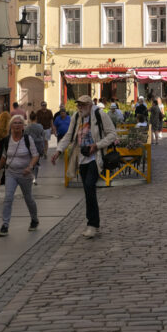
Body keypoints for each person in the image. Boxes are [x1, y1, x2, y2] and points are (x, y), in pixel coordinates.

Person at [51, 94, 117, 238]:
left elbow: (112, 134)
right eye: (78, 105)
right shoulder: (76, 117)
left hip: (95, 157)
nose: (80, 108)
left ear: (89, 105)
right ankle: (94, 223)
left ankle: (92, 224)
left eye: (82, 105)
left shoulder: (100, 115)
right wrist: (58, 150)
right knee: (88, 191)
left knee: (89, 187)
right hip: (81, 158)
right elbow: (69, 135)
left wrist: (97, 145)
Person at [0, 115, 40, 237]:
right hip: (11, 173)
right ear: (11, 126)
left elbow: (35, 155)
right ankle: (5, 225)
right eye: (15, 123)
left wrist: (29, 167)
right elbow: (4, 156)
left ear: (23, 126)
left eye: (20, 123)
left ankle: (34, 219)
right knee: (8, 198)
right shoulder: (7, 140)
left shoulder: (27, 139)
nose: (17, 125)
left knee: (28, 198)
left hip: (25, 174)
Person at [25, 111, 46, 181]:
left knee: (31, 161)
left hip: (30, 146)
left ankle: (31, 176)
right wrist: (43, 148)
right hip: (39, 145)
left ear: (30, 118)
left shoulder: (27, 128)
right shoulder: (40, 126)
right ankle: (35, 177)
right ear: (36, 118)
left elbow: (25, 137)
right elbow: (43, 136)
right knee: (36, 162)